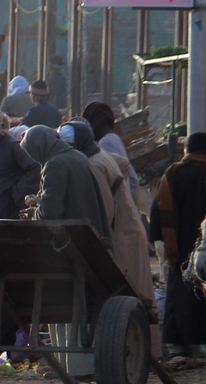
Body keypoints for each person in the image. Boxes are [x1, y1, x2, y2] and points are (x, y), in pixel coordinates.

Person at [64, 119, 153, 303]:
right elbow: (124, 164)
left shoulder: (93, 165)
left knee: (125, 304)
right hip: (130, 230)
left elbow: (103, 211)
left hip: (121, 239)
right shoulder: (99, 154)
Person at [156, 133, 206, 356]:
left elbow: (157, 211)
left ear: (188, 150)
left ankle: (177, 343)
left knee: (178, 291)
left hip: (178, 246)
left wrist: (163, 240)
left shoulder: (173, 173)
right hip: (203, 246)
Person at [21, 126, 108, 237]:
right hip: (91, 233)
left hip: (74, 238)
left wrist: (34, 216)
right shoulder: (77, 155)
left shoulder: (55, 165)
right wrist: (37, 209)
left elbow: (49, 213)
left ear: (37, 149)